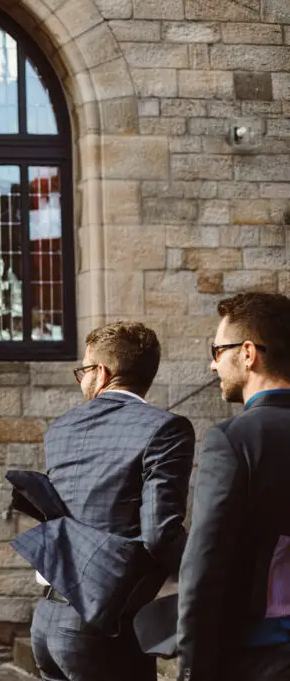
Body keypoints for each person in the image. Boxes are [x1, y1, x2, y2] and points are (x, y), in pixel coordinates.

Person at [30, 322, 195, 681]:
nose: (81, 380)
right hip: (105, 626)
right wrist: (203, 573)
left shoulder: (62, 426)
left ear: (101, 374)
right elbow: (160, 531)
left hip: (46, 621)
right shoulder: (165, 428)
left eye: (84, 371)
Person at [177, 292, 290, 681]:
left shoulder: (233, 440)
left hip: (262, 654)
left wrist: (191, 669)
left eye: (217, 349)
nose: (212, 364)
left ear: (247, 353)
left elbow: (203, 569)